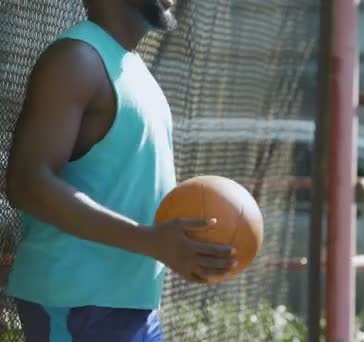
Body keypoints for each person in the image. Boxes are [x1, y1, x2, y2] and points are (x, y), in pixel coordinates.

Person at [5, 1, 237, 341]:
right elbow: (26, 183)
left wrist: (182, 243)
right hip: (75, 307)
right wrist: (149, 241)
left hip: (130, 307)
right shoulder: (76, 59)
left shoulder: (132, 69)